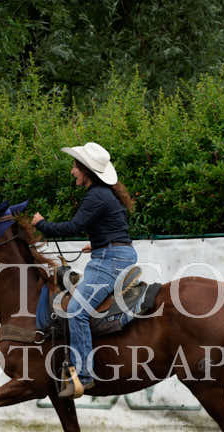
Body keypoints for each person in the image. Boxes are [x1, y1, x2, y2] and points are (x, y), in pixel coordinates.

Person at [32, 142, 138, 398]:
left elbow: (73, 227)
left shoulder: (96, 196)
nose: (72, 172)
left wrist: (42, 224)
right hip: (112, 254)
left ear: (87, 171)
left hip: (110, 260)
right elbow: (116, 226)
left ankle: (84, 376)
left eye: (75, 167)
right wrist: (100, 242)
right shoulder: (105, 194)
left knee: (76, 310)